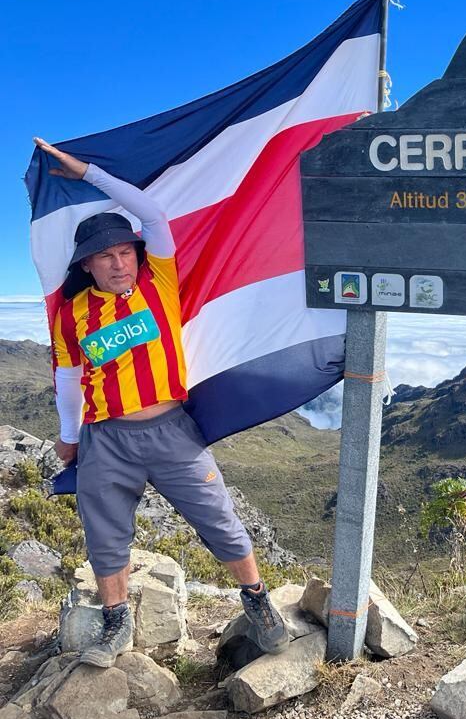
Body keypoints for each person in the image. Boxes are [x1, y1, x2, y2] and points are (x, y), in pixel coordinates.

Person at [36, 137, 290, 667]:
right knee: (105, 535)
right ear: (87, 266)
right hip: (107, 437)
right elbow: (67, 374)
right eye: (104, 256)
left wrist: (86, 172)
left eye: (124, 251)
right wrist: (68, 436)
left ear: (136, 254)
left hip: (173, 431)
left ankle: (257, 600)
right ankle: (116, 623)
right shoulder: (71, 313)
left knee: (220, 519)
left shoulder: (160, 281)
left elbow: (150, 212)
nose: (118, 263)